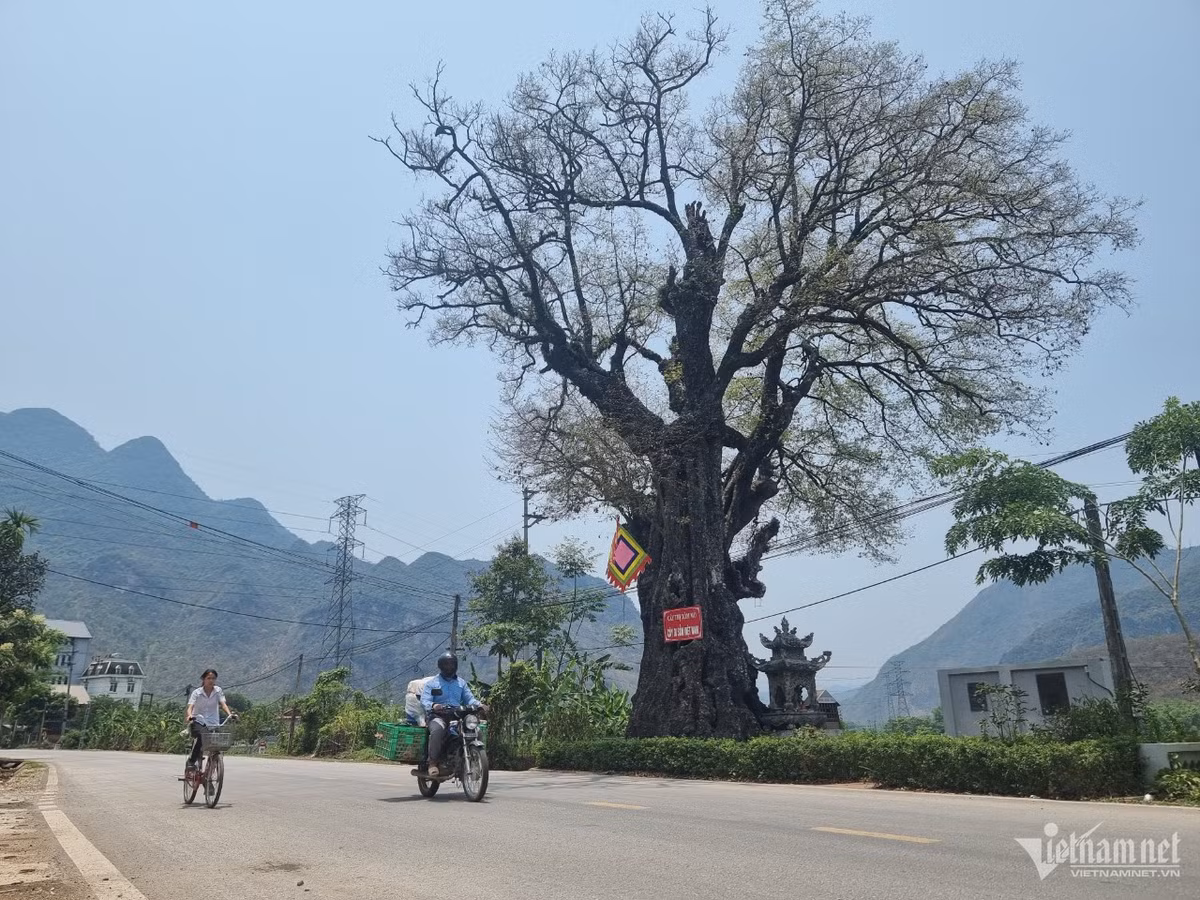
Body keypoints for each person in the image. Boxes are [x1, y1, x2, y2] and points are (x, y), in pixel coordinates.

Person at [420, 652, 485, 778]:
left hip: (457, 716)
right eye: (446, 664)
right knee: (438, 730)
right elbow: (425, 700)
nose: (449, 667)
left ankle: (475, 761)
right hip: (437, 716)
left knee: (477, 731)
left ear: (456, 665)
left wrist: (480, 705)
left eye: (452, 664)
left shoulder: (461, 683)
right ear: (441, 666)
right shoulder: (432, 683)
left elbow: (469, 699)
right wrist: (433, 705)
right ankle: (432, 763)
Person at [185, 668, 237, 772]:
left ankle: (210, 773)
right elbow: (190, 706)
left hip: (213, 723)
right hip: (198, 721)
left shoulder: (218, 691)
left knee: (217, 745)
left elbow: (223, 704)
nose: (211, 680)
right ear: (203, 679)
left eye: (213, 678)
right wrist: (190, 715)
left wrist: (230, 714)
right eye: (208, 678)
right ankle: (192, 761)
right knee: (200, 737)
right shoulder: (197, 692)